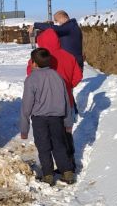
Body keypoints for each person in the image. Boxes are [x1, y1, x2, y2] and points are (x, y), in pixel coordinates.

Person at [27, 29, 83, 170]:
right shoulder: (69, 56)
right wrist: (68, 87)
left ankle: (48, 168)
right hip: (67, 102)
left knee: (47, 137)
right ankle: (69, 165)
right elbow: (78, 76)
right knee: (66, 134)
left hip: (44, 105)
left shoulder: (39, 57)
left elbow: (30, 75)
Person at [20, 48, 75, 186]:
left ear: (33, 63)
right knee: (59, 145)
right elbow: (66, 100)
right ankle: (67, 172)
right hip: (57, 118)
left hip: (39, 119)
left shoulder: (31, 79)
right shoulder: (57, 76)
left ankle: (48, 175)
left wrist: (24, 128)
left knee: (43, 146)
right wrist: (68, 122)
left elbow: (26, 105)